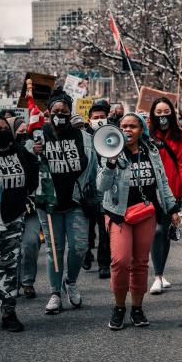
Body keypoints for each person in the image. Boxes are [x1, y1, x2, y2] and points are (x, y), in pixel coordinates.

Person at [97, 112, 180, 330]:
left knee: (140, 263)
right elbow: (101, 186)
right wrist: (111, 163)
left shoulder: (151, 151)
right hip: (119, 214)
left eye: (133, 126)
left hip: (145, 213)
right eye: (124, 126)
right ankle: (118, 307)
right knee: (121, 261)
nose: (127, 130)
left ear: (141, 129)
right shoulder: (109, 150)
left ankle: (136, 308)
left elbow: (162, 181)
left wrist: (172, 208)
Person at [33, 88, 98, 315]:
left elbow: (94, 169)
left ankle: (70, 282)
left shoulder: (84, 137)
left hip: (76, 201)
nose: (60, 114)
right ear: (49, 112)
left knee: (79, 247)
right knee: (55, 250)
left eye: (64, 111)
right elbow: (27, 162)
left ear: (71, 113)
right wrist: (33, 152)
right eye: (56, 111)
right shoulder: (38, 135)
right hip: (49, 203)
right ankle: (54, 293)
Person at [0, 114, 39, 331]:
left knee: (8, 268)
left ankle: (9, 313)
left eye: (4, 128)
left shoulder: (19, 151)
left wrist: (24, 195)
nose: (1, 132)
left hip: (12, 220)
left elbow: (33, 171)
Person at [148, 97, 182, 294]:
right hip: (147, 190)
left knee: (162, 232)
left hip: (170, 193)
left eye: (166, 112)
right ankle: (157, 275)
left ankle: (159, 274)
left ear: (172, 114)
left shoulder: (180, 136)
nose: (163, 116)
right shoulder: (146, 134)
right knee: (156, 232)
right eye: (159, 113)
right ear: (152, 114)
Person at [7, 116, 41, 299]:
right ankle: (12, 282)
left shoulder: (31, 150)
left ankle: (27, 282)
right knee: (11, 247)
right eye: (17, 131)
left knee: (30, 243)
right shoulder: (0, 153)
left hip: (31, 207)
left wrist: (36, 156)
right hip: (9, 209)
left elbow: (37, 176)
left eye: (24, 131)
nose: (22, 134)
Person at [83, 99, 112, 277]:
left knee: (105, 231)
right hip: (87, 191)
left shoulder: (112, 135)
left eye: (102, 117)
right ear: (89, 120)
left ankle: (104, 264)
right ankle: (86, 254)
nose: (99, 120)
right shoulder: (83, 137)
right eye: (96, 117)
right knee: (87, 228)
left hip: (105, 192)